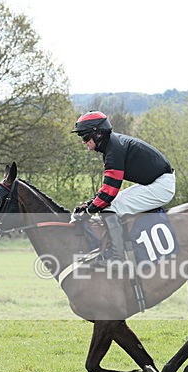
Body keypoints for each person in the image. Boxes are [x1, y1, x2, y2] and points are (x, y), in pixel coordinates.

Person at [71, 110, 175, 265]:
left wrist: (89, 211)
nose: (83, 142)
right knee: (108, 205)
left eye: (85, 137)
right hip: (157, 182)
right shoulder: (112, 146)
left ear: (98, 134)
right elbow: (107, 188)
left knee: (110, 207)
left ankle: (117, 258)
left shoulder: (114, 151)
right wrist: (89, 204)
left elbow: (110, 192)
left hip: (161, 186)